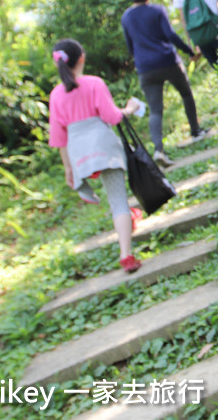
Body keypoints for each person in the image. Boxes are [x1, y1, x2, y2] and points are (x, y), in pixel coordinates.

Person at [49, 39, 144, 273]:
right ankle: (126, 255)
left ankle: (128, 220)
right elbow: (112, 117)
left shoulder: (56, 95)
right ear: (82, 57)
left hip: (78, 152)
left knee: (115, 201)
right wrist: (131, 108)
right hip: (103, 145)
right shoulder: (94, 83)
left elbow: (59, 137)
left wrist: (68, 168)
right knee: (118, 200)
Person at [121, 0, 208, 166]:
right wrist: (189, 51)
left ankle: (159, 150)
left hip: (145, 68)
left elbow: (129, 46)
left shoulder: (126, 17)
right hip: (168, 61)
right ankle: (196, 131)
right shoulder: (156, 10)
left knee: (155, 110)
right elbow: (170, 34)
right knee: (186, 94)